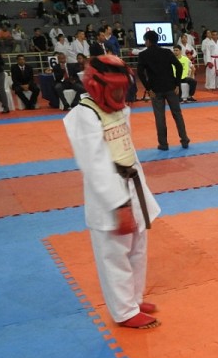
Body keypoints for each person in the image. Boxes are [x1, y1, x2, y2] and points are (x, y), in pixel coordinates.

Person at [63, 54, 161, 329]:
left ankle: (134, 299)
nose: (120, 94)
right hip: (109, 191)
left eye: (123, 88)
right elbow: (94, 165)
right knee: (115, 254)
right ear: (96, 86)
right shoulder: (84, 114)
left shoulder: (118, 108)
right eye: (115, 89)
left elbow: (127, 149)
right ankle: (124, 311)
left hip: (132, 183)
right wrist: (118, 204)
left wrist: (139, 192)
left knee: (138, 248)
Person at [137, 30, 190, 150]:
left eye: (145, 41)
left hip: (155, 90)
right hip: (171, 87)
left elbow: (140, 73)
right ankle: (184, 139)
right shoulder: (166, 52)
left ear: (148, 41)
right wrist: (177, 83)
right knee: (177, 114)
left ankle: (163, 144)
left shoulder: (143, 55)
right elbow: (178, 66)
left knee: (160, 117)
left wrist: (148, 88)